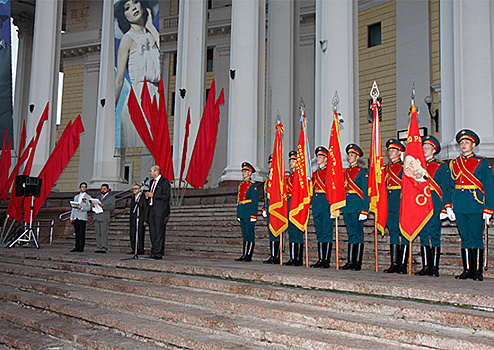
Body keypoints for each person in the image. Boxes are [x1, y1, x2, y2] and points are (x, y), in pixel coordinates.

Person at [450, 129, 494, 281]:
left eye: (466, 142)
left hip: (476, 203)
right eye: (461, 143)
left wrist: (489, 208)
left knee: (476, 237)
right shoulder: (454, 163)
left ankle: (478, 271)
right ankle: (467, 269)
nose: (463, 145)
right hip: (460, 204)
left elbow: (489, 186)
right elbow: (450, 185)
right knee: (465, 237)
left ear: (473, 144)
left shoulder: (482, 161)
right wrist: (449, 206)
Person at [415, 136, 453, 277]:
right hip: (421, 203)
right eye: (423, 147)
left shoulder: (441, 166)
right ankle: (426, 266)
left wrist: (446, 206)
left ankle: (434, 267)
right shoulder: (417, 166)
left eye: (428, 147)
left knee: (434, 234)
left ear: (434, 150)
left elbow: (446, 187)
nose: (425, 149)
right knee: (424, 234)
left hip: (435, 202)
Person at [115, 0, 160, 104]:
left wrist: (151, 27)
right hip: (140, 95)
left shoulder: (152, 35)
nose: (134, 8)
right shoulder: (127, 39)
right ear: (123, 16)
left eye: (135, 2)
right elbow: (119, 80)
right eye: (127, 8)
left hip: (157, 93)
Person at [341, 144, 369, 271]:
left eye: (352, 155)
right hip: (347, 206)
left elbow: (365, 192)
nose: (349, 157)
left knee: (358, 234)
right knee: (351, 234)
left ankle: (357, 262)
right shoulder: (345, 172)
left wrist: (365, 209)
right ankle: (350, 261)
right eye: (349, 155)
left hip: (358, 206)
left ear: (357, 157)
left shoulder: (362, 172)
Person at [383, 139, 406, 273]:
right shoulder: (385, 169)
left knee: (403, 232)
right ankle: (394, 263)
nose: (390, 153)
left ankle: (402, 263)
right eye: (389, 150)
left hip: (400, 202)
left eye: (393, 150)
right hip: (389, 203)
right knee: (393, 233)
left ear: (399, 153)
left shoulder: (404, 168)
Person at [311, 146, 333, 268]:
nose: (318, 158)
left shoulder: (329, 173)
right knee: (319, 232)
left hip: (326, 203)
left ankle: (326, 260)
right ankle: (320, 258)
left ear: (326, 159)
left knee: (326, 232)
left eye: (321, 157)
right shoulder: (314, 174)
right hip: (317, 204)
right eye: (318, 156)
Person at [144, 165, 170, 260]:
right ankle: (153, 251)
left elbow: (166, 196)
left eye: (151, 171)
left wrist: (153, 195)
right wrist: (148, 196)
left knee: (159, 231)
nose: (150, 173)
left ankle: (158, 252)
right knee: (152, 231)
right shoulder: (151, 182)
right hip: (152, 209)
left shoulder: (165, 182)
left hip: (160, 210)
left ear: (156, 171)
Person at [235, 162, 259, 262]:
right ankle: (244, 254)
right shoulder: (241, 185)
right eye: (243, 171)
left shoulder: (253, 185)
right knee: (244, 233)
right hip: (242, 211)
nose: (244, 173)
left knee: (250, 233)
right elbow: (239, 200)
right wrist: (238, 214)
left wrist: (253, 214)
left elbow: (254, 201)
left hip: (249, 211)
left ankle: (249, 255)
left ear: (250, 173)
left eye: (246, 171)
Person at [285, 151, 304, 266]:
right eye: (290, 160)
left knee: (297, 231)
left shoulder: (301, 177)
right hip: (289, 204)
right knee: (291, 232)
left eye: (293, 160)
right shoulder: (288, 178)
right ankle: (292, 257)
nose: (291, 162)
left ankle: (298, 258)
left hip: (297, 204)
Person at [263, 154, 281, 264]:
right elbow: (266, 195)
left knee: (277, 231)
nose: (270, 165)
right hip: (269, 208)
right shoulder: (268, 180)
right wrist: (265, 207)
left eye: (272, 163)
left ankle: (277, 255)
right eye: (270, 163)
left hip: (277, 209)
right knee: (271, 232)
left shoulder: (279, 178)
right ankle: (273, 255)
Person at [91, 184, 115, 253]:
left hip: (104, 217)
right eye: (102, 189)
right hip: (97, 217)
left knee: (103, 232)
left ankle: (104, 247)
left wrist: (103, 206)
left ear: (107, 189)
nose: (103, 190)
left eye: (104, 189)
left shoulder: (111, 197)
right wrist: (92, 205)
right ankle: (99, 247)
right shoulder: (98, 197)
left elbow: (112, 207)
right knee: (97, 232)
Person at [69, 182, 91, 252]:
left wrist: (82, 208)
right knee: (77, 232)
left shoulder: (88, 197)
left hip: (82, 216)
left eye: (84, 187)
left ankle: (81, 247)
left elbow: (89, 208)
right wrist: (71, 217)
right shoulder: (76, 197)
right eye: (82, 187)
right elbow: (73, 208)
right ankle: (76, 246)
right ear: (80, 188)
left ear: (86, 188)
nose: (83, 188)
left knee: (82, 232)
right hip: (76, 216)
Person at [129, 184, 148, 255]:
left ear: (140, 190)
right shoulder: (133, 198)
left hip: (141, 218)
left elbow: (145, 209)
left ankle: (140, 249)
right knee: (132, 234)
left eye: (136, 189)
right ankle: (134, 248)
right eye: (133, 189)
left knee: (140, 234)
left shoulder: (142, 197)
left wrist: (145, 220)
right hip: (134, 218)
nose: (134, 190)